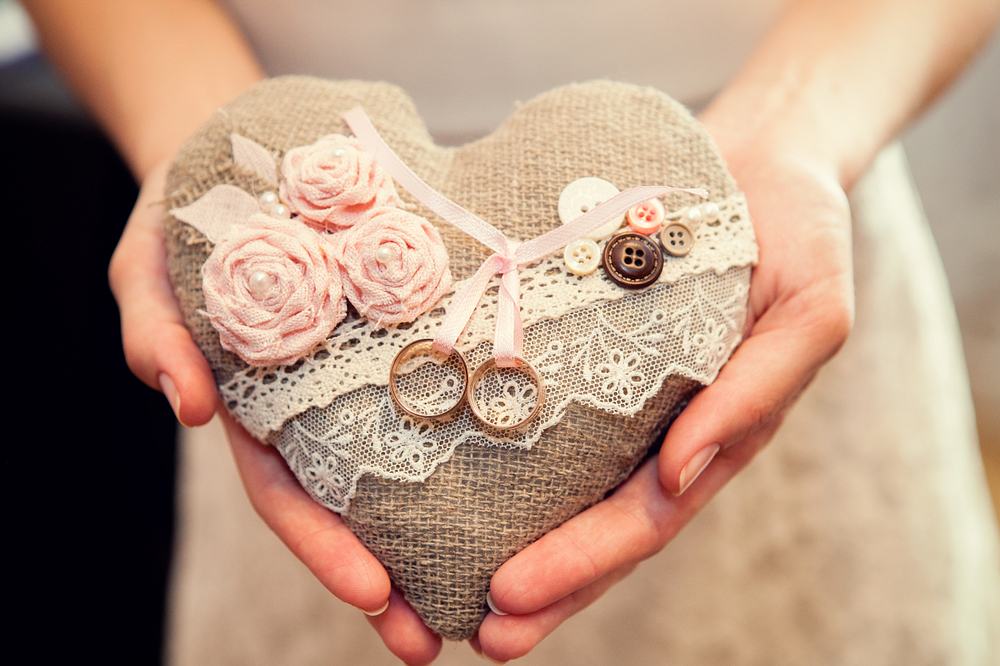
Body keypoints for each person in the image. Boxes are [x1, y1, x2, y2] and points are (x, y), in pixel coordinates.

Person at [24, 0, 1000, 663]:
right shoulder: (266, 216)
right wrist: (215, 151)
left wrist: (801, 123)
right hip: (294, 270)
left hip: (754, 209)